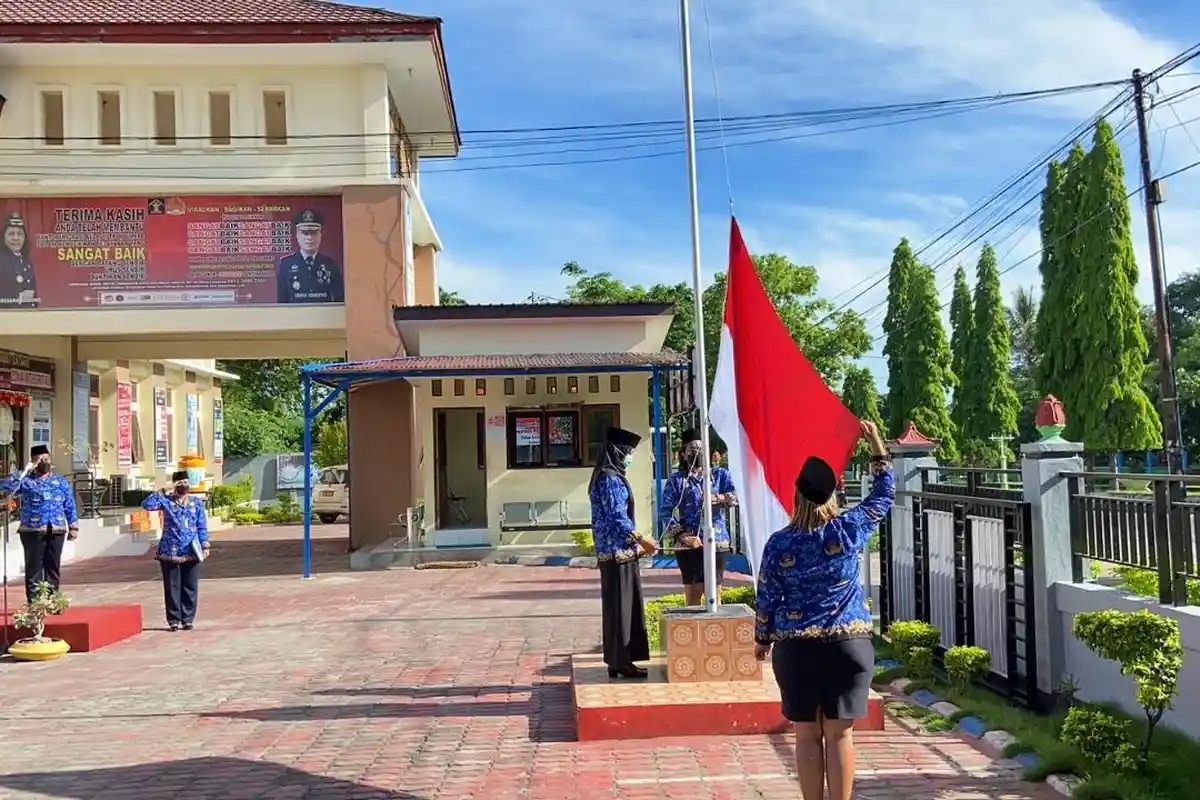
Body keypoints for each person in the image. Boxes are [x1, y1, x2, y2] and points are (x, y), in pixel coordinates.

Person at [753, 420, 894, 800]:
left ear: (796, 495)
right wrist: (876, 444)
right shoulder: (848, 529)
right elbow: (883, 495)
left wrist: (761, 639)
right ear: (833, 495)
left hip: (797, 650)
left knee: (806, 735)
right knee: (840, 734)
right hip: (848, 645)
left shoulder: (779, 544)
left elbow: (767, 596)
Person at [589, 426, 657, 679]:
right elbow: (617, 516)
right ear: (617, 451)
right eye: (628, 452)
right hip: (617, 554)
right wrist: (642, 540)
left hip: (620, 553)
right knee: (623, 609)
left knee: (621, 608)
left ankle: (619, 660)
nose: (629, 457)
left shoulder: (609, 476)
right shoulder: (609, 478)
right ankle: (622, 661)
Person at [658, 428, 737, 605]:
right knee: (693, 595)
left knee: (714, 595)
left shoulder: (719, 475)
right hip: (689, 544)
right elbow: (665, 511)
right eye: (691, 450)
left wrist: (719, 498)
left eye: (700, 449)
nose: (696, 453)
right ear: (684, 453)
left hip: (716, 542)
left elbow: (735, 497)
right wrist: (682, 535)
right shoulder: (677, 479)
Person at [0, 445, 78, 601]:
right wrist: (25, 470)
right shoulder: (26, 481)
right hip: (32, 530)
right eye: (40, 460)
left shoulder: (60, 481)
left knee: (53, 567)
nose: (44, 462)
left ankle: (53, 601)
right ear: (33, 461)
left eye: (46, 459)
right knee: (34, 567)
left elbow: (69, 504)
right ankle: (35, 603)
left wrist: (73, 525)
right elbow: (6, 487)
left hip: (56, 529)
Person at [143, 471, 210, 631]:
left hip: (191, 549)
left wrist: (205, 544)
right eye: (180, 483)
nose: (184, 485)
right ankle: (173, 619)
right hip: (169, 549)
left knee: (190, 585)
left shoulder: (195, 502)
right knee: (172, 586)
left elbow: (201, 524)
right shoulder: (165, 501)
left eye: (187, 482)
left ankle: (187, 619)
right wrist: (162, 491)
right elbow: (146, 505)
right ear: (175, 485)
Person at [276, 208, 344, 304]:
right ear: (297, 235)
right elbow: (282, 302)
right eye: (305, 233)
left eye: (313, 233)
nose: (309, 238)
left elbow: (339, 300)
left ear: (320, 235)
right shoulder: (286, 265)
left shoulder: (331, 265)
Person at [0, 212, 38, 308]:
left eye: (20, 234)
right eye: (11, 234)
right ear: (3, 237)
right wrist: (18, 298)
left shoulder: (26, 261)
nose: (16, 238)